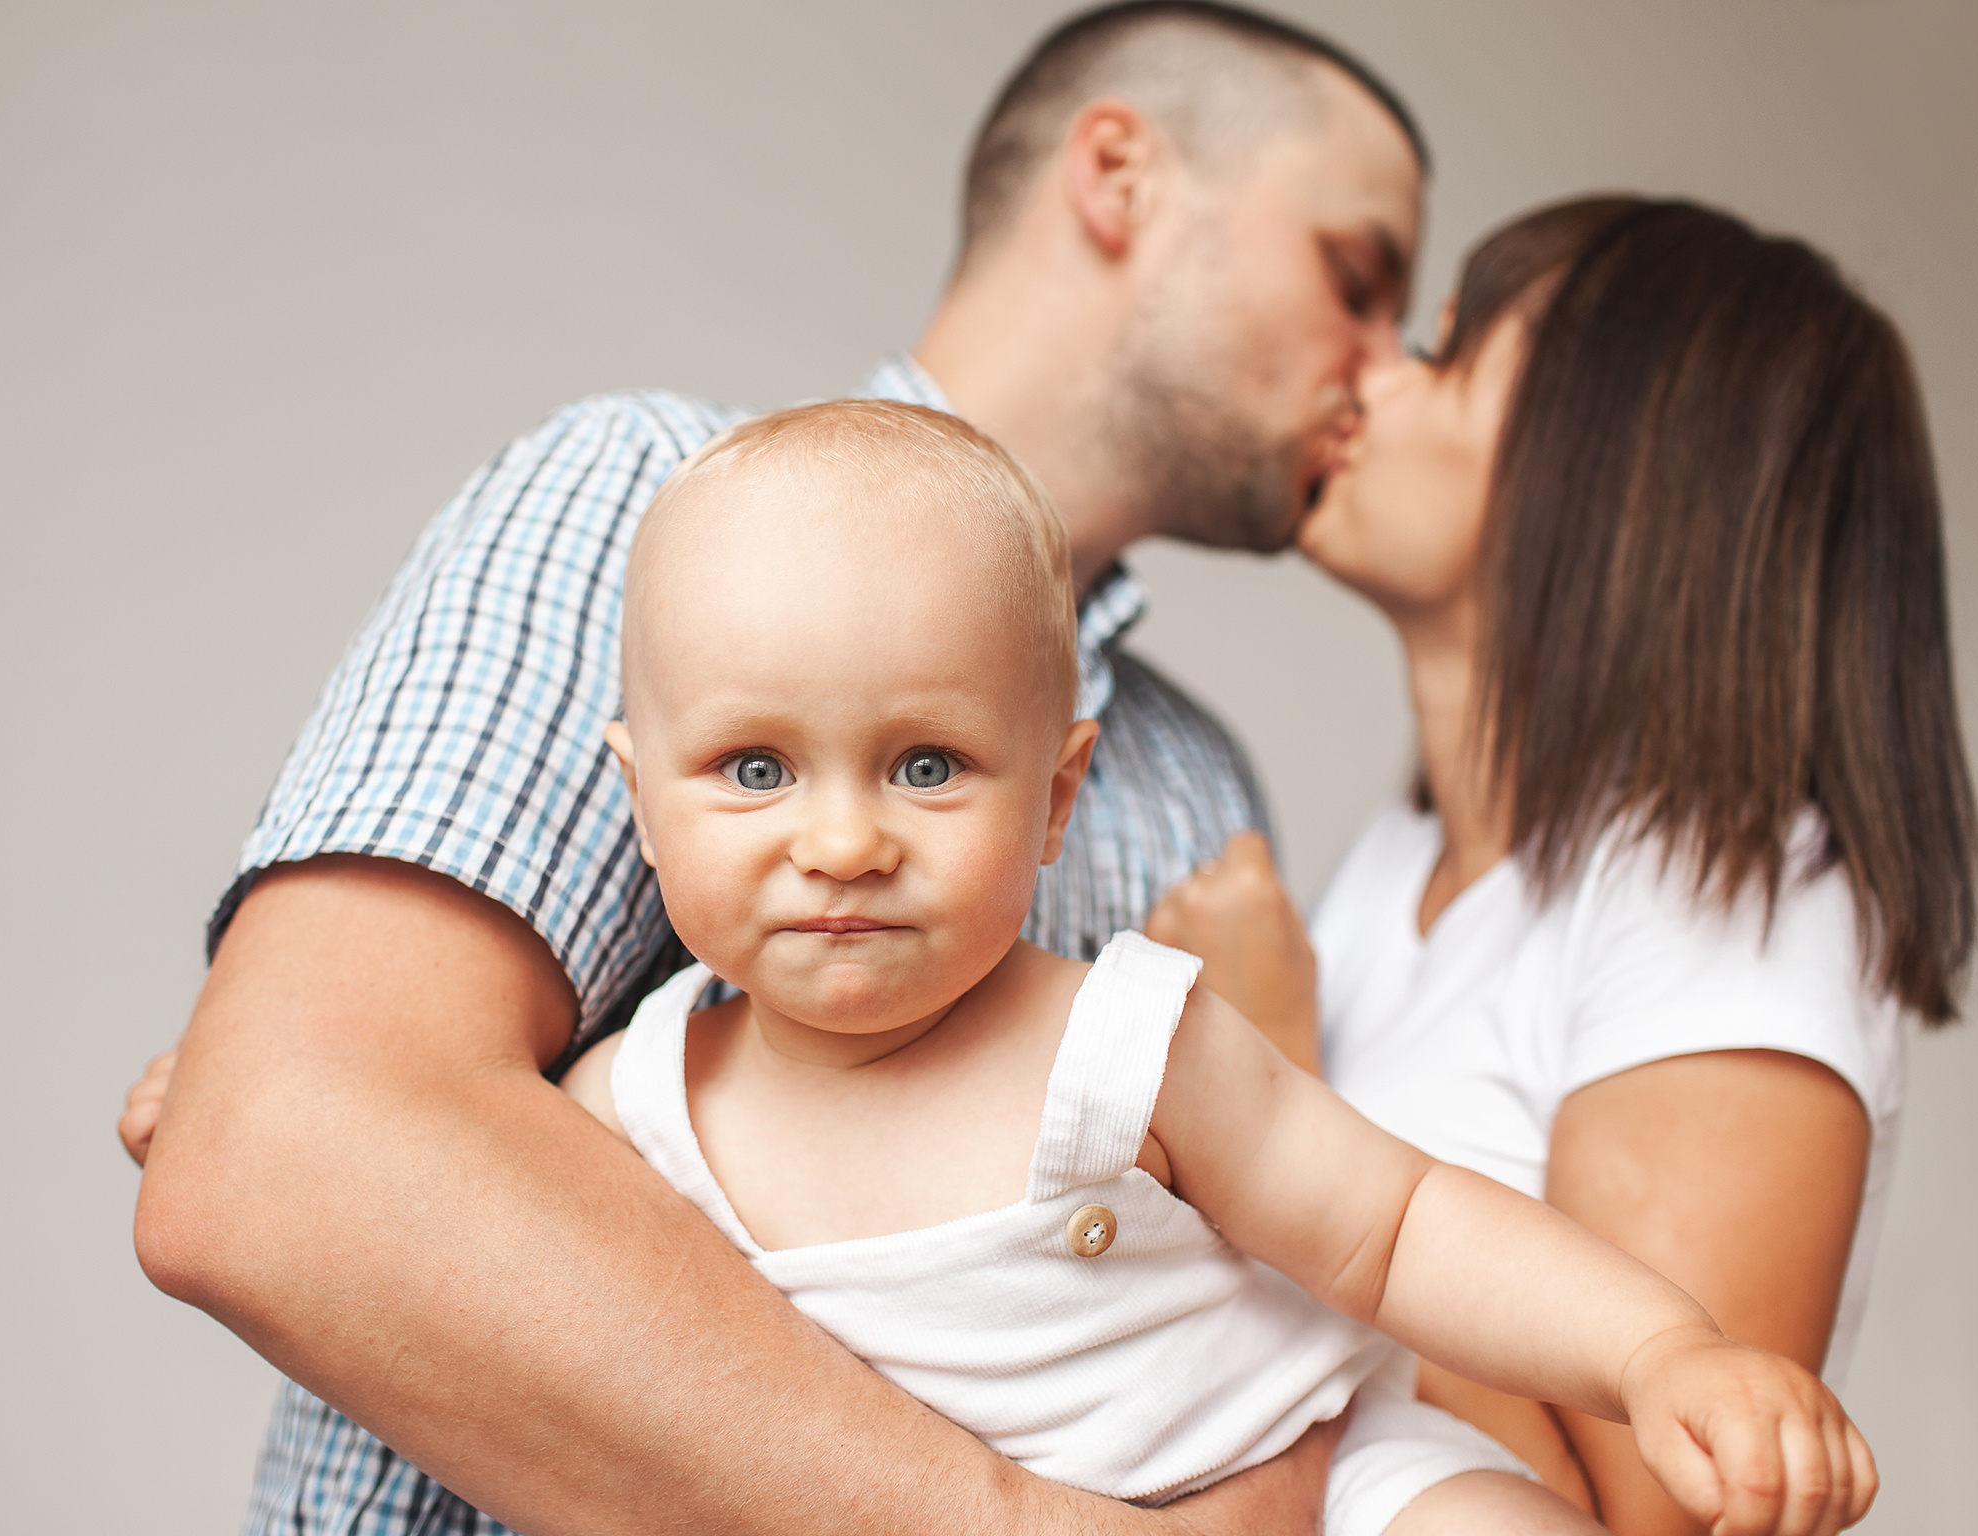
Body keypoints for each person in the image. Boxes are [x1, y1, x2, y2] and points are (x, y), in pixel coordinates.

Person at [122, 6, 1431, 1534]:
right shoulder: (636, 504)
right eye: (1358, 279)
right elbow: (285, 1159)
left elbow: (1229, 1373)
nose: (1386, 366)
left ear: (1058, 783)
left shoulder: (1204, 792)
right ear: (1119, 175)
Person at [566, 393, 1873, 1536]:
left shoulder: (1127, 1045)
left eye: (927, 767)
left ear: (1056, 795)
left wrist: (1656, 1351)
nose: (843, 842)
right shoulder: (631, 1112)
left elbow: (1399, 1227)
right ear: (640, 797)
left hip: (1320, 1468)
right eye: (755, 770)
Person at [1146, 196, 1978, 1533]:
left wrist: (1273, 1098)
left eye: (1451, 354)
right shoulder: (1398, 861)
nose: (1365, 375)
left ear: (1627, 469)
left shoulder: (1733, 900)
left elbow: (1651, 1516)